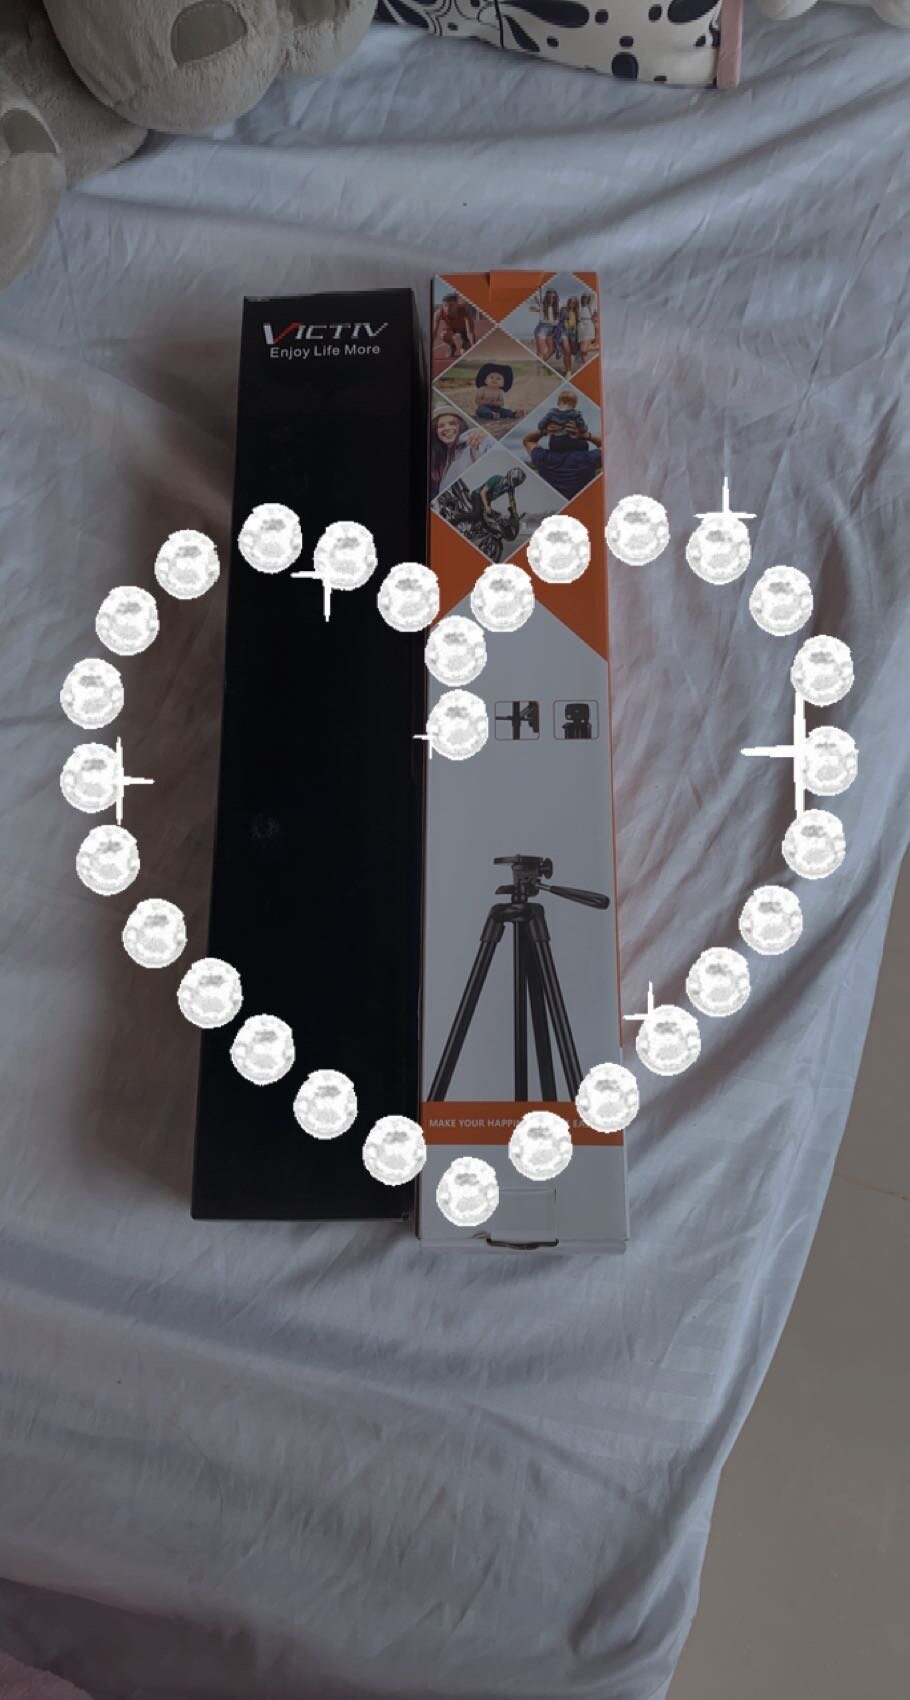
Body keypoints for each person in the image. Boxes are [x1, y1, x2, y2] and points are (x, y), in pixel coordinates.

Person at [430, 408, 492, 499]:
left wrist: (483, 437)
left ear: (461, 426)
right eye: (441, 426)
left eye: (452, 423)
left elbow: (487, 446)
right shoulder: (441, 458)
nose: (447, 428)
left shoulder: (471, 445)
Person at [532, 287, 561, 363]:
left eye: (553, 297)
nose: (551, 299)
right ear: (546, 297)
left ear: (556, 298)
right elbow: (535, 297)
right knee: (541, 351)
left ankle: (540, 363)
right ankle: (540, 365)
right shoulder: (542, 305)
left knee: (552, 350)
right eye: (549, 297)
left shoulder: (556, 308)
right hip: (542, 329)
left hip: (551, 329)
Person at [577, 292, 596, 361]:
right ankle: (585, 363)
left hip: (588, 326)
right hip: (581, 327)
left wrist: (588, 293)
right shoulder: (579, 307)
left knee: (583, 349)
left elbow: (593, 295)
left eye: (587, 298)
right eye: (584, 297)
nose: (585, 299)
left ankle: (598, 347)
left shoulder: (590, 306)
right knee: (583, 351)